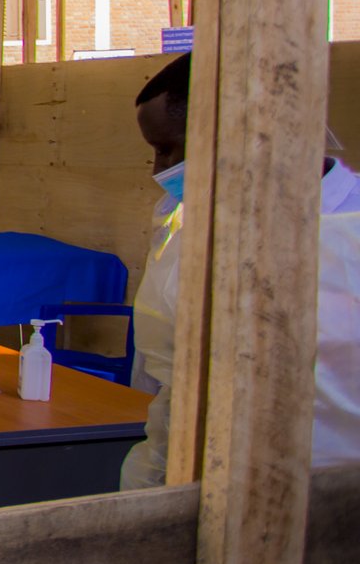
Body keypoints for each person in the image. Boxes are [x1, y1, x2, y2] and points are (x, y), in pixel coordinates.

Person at [119, 54, 359, 488]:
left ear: (240, 129)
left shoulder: (349, 232)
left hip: (323, 501)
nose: (160, 170)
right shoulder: (185, 218)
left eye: (167, 149)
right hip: (186, 479)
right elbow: (166, 374)